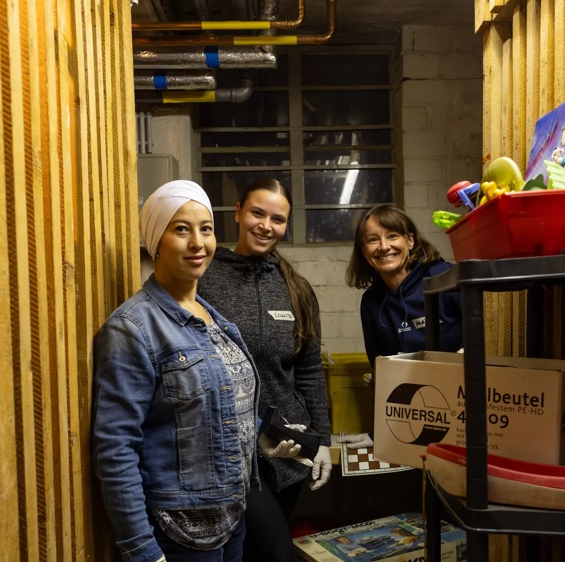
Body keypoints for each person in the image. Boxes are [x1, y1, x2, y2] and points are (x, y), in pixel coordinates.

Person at [91, 180, 302, 562]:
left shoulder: (212, 317)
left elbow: (215, 407)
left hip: (230, 517)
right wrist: (141, 547)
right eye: (181, 229)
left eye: (205, 229)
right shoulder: (132, 328)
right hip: (179, 528)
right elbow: (115, 448)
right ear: (156, 240)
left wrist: (257, 439)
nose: (197, 243)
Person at [197, 178, 333, 562]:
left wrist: (321, 440)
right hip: (228, 447)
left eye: (277, 218)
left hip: (288, 450)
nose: (265, 225)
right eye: (257, 213)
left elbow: (308, 370)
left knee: (259, 553)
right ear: (238, 212)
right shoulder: (205, 278)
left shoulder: (297, 289)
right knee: (273, 551)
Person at [346, 204, 463, 368]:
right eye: (373, 240)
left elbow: (487, 338)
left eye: (392, 236)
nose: (384, 246)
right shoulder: (371, 301)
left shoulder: (446, 278)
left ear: (410, 241)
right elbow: (380, 367)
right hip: (411, 390)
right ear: (364, 251)